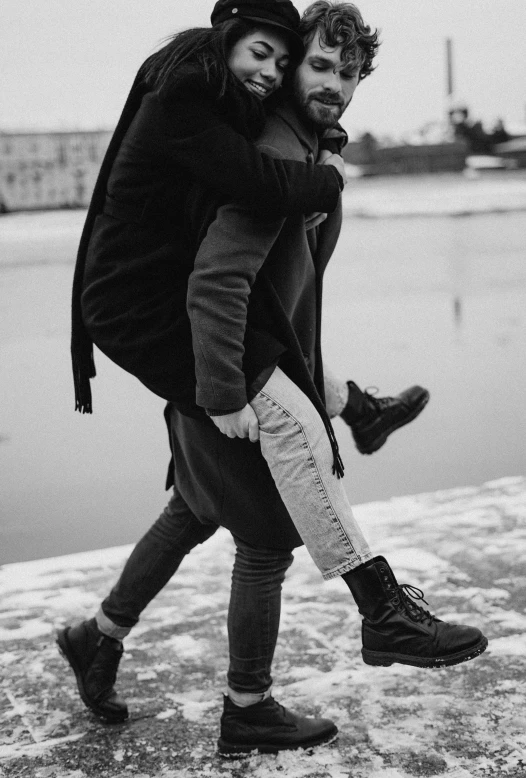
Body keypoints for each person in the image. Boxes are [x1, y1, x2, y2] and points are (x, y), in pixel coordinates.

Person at [60, 0, 483, 758]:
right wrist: (226, 390)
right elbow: (220, 281)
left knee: (193, 508)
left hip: (223, 354)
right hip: (205, 355)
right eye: (316, 65)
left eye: (344, 72)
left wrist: (329, 393)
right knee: (265, 535)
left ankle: (99, 635)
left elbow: (287, 296)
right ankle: (254, 700)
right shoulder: (275, 150)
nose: (330, 83)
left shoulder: (298, 142)